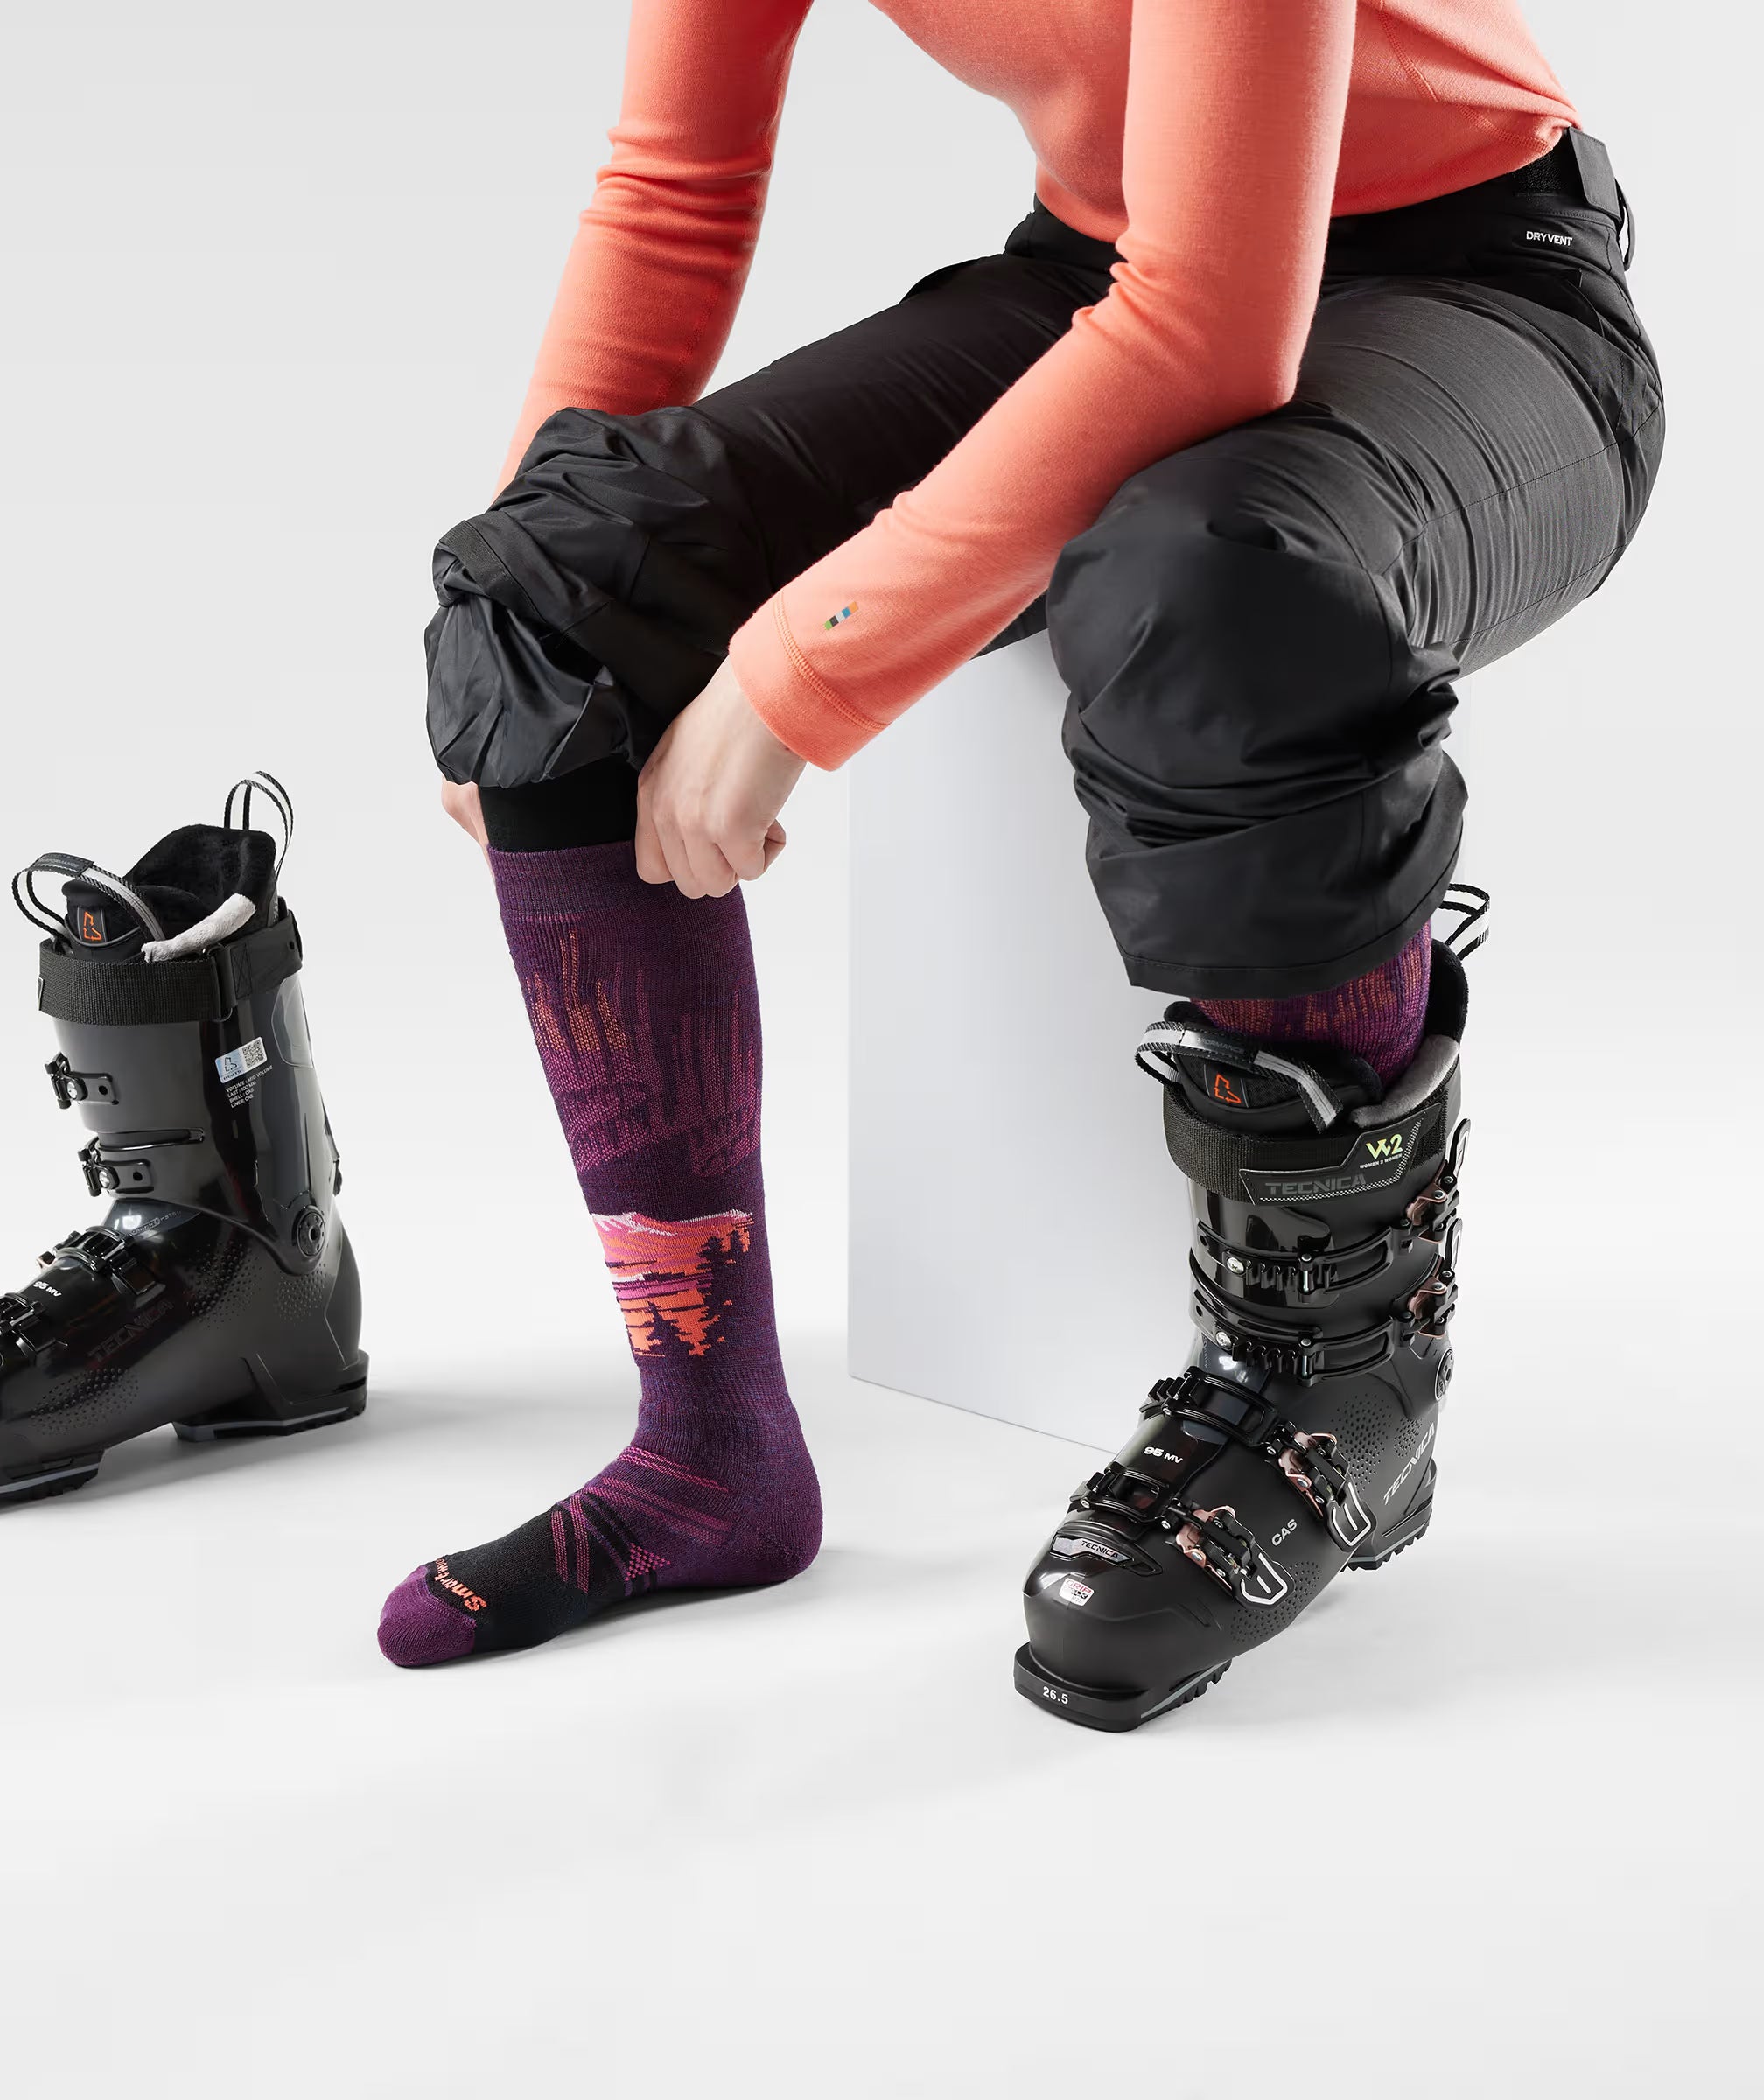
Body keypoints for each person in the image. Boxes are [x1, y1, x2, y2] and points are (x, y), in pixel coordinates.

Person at [378, 0, 1662, 1719]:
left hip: (1484, 297)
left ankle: (1337, 1400)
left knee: (1212, 583)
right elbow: (673, 191)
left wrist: (800, 668)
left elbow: (1216, 329)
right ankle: (708, 1454)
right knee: (553, 590)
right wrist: (525, 631)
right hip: (1117, 270)